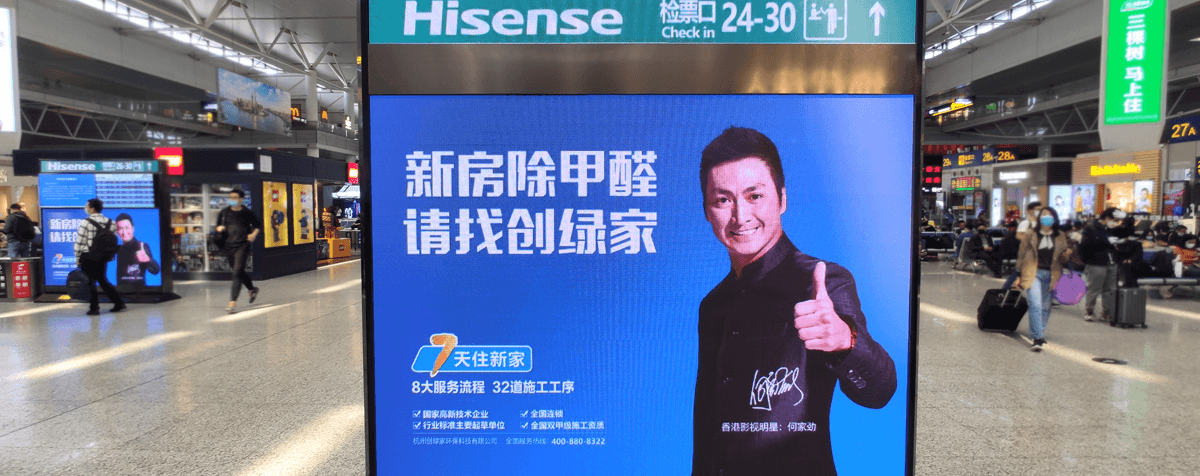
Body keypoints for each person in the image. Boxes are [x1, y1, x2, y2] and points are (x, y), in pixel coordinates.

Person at [692, 127, 896, 476]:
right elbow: (708, 433)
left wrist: (845, 341)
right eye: (723, 200)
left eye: (755, 196)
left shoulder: (822, 281)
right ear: (707, 211)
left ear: (782, 199)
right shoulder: (713, 305)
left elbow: (879, 391)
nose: (740, 216)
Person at [1014, 206, 1069, 352]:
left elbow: (1064, 254)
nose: (1046, 217)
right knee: (1035, 305)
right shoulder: (1031, 233)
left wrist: (1066, 254)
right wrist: (1018, 274)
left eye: (1049, 215)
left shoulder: (1059, 235)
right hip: (1033, 272)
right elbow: (1021, 253)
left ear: (1054, 218)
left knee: (1045, 307)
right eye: (1044, 214)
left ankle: (1039, 330)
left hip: (1052, 274)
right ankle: (1037, 337)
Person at [74, 198, 125, 316]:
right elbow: (113, 240)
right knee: (102, 280)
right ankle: (118, 302)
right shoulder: (111, 222)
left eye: (87, 206)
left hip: (88, 256)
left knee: (90, 282)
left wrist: (77, 257)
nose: (86, 208)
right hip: (103, 256)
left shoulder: (85, 222)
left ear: (92, 209)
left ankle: (94, 308)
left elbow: (80, 241)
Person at [216, 189, 262, 313]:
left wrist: (253, 235)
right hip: (228, 246)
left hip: (243, 246)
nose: (232, 199)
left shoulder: (247, 213)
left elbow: (258, 225)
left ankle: (232, 302)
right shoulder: (224, 212)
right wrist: (219, 229)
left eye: (235, 197)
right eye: (230, 197)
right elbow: (218, 227)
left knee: (236, 272)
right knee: (239, 271)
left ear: (241, 199)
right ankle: (252, 289)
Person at [1079, 208, 1123, 322]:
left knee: (1110, 289)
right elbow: (1085, 246)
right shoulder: (1091, 228)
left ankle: (1106, 313)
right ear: (1107, 218)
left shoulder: (1112, 229)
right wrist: (1105, 241)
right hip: (1096, 263)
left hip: (1112, 262)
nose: (1116, 222)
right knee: (1094, 288)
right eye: (1115, 220)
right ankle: (1089, 311)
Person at [1002, 202, 1042, 289]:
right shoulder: (1026, 223)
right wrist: (1031, 240)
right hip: (1026, 252)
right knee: (1017, 272)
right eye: (1037, 209)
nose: (1040, 211)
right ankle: (1004, 290)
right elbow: (1018, 235)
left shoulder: (1039, 223)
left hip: (1036, 253)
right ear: (1031, 211)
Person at [114, 213, 160, 288]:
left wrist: (148, 260)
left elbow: (156, 271)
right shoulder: (119, 249)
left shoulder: (141, 246)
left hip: (138, 292)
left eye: (126, 227)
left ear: (133, 228)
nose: (124, 232)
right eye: (120, 228)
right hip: (120, 292)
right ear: (117, 231)